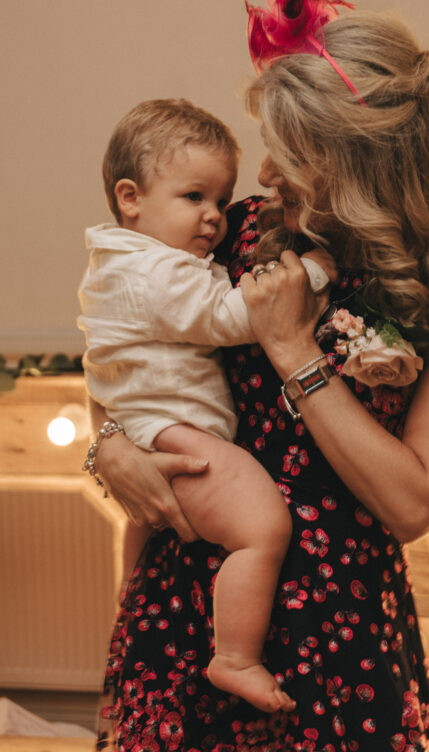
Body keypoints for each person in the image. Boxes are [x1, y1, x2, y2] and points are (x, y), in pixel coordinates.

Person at [86, 0, 429, 752]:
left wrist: (293, 353)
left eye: (295, 155)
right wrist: (107, 443)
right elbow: (130, 350)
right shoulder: (238, 234)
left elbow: (413, 503)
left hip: (340, 650)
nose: (269, 172)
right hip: (194, 619)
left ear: (361, 166)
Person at [78, 98, 334, 713]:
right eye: (194, 197)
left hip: (144, 424)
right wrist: (312, 274)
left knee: (145, 522)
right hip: (177, 431)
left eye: (220, 199)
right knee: (263, 528)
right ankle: (235, 657)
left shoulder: (122, 261)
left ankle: (128, 599)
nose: (214, 216)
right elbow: (230, 316)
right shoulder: (157, 273)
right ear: (130, 198)